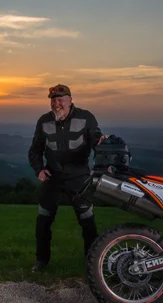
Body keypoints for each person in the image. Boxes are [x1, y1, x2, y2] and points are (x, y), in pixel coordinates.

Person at [28, 84, 108, 272]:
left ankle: (92, 264)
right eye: (53, 100)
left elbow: (96, 140)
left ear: (70, 100)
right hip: (52, 178)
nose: (57, 103)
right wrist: (39, 169)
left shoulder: (85, 117)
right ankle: (41, 262)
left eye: (61, 99)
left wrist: (102, 144)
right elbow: (35, 150)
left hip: (79, 178)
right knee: (43, 222)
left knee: (87, 222)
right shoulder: (44, 121)